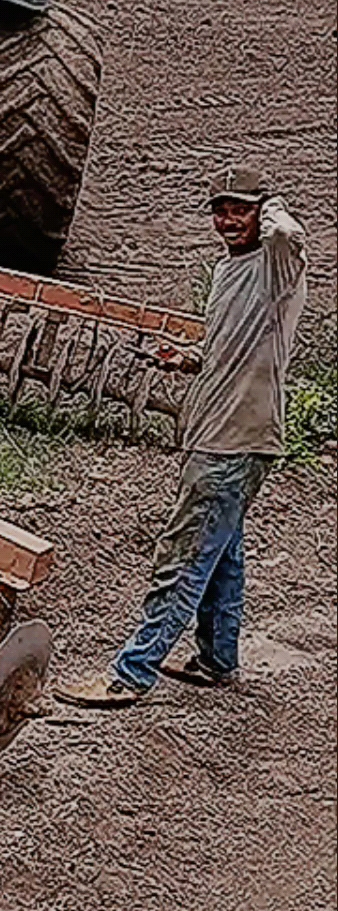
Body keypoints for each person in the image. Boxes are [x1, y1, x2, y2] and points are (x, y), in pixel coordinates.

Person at [58, 166, 308, 706]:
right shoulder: (228, 270)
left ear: (261, 210)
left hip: (235, 439)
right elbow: (233, 346)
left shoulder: (276, 264)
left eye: (240, 209)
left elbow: (288, 234)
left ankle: (131, 672)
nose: (227, 220)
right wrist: (190, 356)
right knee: (223, 553)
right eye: (220, 210)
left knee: (185, 555)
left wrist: (270, 203)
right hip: (217, 433)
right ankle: (217, 658)